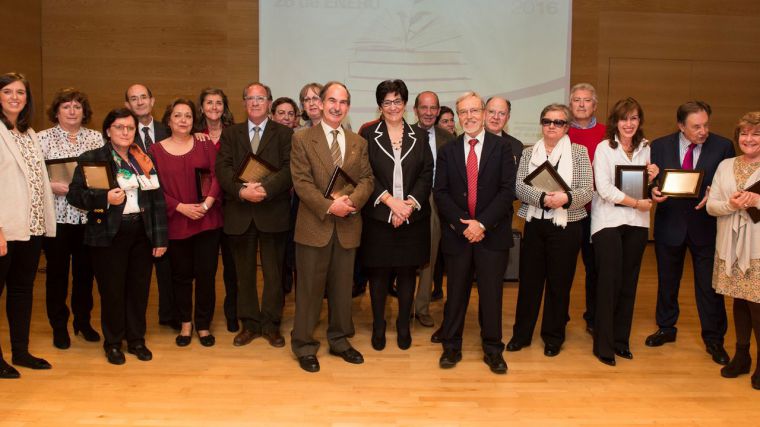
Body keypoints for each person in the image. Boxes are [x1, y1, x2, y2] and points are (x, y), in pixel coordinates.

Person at [67, 108, 168, 365]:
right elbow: (75, 196)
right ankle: (113, 343)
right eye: (120, 127)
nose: (125, 132)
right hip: (108, 233)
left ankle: (136, 340)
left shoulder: (143, 158)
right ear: (108, 131)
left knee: (139, 290)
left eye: (130, 128)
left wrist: (160, 239)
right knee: (112, 291)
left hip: (141, 232)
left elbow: (156, 201)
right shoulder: (94, 158)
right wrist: (105, 198)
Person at [290, 81, 374, 373]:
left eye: (343, 102)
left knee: (342, 290)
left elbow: (367, 180)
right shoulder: (302, 139)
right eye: (332, 101)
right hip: (315, 226)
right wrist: (329, 206)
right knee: (309, 292)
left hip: (348, 225)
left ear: (348, 107)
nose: (337, 107)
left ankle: (339, 340)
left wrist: (351, 203)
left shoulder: (358, 142)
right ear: (321, 104)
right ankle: (303, 344)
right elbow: (301, 182)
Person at [647, 101, 735, 365]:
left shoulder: (723, 146)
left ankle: (714, 338)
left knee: (709, 286)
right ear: (681, 126)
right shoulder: (660, 146)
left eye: (706, 124)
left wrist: (714, 193)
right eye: (696, 126)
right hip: (670, 223)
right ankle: (666, 327)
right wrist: (652, 189)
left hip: (705, 225)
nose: (703, 131)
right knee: (667, 280)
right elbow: (651, 179)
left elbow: (729, 181)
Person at [434, 91, 515, 374]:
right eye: (462, 112)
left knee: (491, 295)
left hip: (491, 234)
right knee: (455, 293)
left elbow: (508, 191)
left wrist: (481, 224)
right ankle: (451, 347)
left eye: (473, 111)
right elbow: (441, 194)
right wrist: (463, 225)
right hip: (458, 235)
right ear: (458, 116)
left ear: (483, 113)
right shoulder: (447, 151)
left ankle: (493, 350)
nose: (468, 117)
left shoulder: (502, 148)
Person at [508, 103, 593, 357]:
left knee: (559, 283)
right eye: (547, 121)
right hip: (535, 223)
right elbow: (520, 187)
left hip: (567, 225)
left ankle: (553, 336)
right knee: (530, 283)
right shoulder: (528, 153)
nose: (552, 126)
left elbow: (587, 189)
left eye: (558, 122)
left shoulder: (579, 152)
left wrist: (564, 198)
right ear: (541, 124)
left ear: (567, 126)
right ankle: (521, 335)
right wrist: (545, 199)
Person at [216, 82, 293, 348]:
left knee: (274, 274)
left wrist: (265, 190)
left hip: (272, 211)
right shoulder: (231, 134)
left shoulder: (284, 133)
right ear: (244, 102)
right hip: (240, 212)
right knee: (243, 274)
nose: (256, 102)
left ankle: (271, 325)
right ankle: (249, 324)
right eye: (250, 98)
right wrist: (240, 192)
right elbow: (223, 169)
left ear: (269, 102)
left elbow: (289, 169)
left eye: (261, 98)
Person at [359, 80, 433, 350]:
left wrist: (408, 205)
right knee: (378, 274)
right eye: (387, 102)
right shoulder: (368, 135)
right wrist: (391, 203)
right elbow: (364, 173)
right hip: (379, 216)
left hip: (412, 217)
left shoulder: (420, 136)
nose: (393, 107)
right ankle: (378, 325)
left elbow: (426, 174)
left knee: (406, 273)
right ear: (380, 105)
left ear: (405, 104)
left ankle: (403, 324)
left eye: (398, 101)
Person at [590, 97, 658, 366]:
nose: (628, 124)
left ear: (639, 121)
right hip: (608, 222)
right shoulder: (604, 148)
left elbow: (641, 186)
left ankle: (621, 341)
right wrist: (637, 202)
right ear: (615, 122)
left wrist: (653, 182)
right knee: (609, 282)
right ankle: (603, 346)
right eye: (623, 118)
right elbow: (605, 189)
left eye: (633, 118)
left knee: (629, 283)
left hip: (638, 223)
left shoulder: (645, 147)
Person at [150, 99, 223, 347]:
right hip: (177, 221)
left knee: (206, 275)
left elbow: (217, 176)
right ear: (168, 120)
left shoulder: (204, 144)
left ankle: (203, 325)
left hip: (206, 219)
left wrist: (207, 204)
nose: (183, 120)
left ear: (194, 120)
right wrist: (180, 207)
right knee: (180, 277)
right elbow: (153, 188)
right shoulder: (155, 151)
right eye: (178, 115)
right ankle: (185, 324)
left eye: (188, 116)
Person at [0, 72, 56, 378]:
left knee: (21, 290)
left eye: (20, 92)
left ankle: (20, 351)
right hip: (4, 229)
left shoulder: (29, 133)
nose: (14, 97)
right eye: (7, 91)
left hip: (31, 226)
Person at [38, 87, 104, 349]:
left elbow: (101, 174)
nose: (72, 111)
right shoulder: (42, 138)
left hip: (86, 218)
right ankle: (59, 326)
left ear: (84, 111)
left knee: (85, 275)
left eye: (77, 106)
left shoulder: (96, 138)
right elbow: (35, 175)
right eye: (66, 106)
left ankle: (83, 321)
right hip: (57, 217)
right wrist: (50, 185)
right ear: (57, 111)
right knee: (56, 274)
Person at [706, 111, 760, 390]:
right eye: (744, 133)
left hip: (757, 247)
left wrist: (757, 200)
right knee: (739, 299)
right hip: (730, 242)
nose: (748, 139)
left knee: (757, 304)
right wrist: (732, 204)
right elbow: (712, 205)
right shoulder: (726, 165)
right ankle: (742, 355)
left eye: (755, 134)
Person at [124, 83, 176, 330]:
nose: (140, 102)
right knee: (135, 274)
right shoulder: (122, 133)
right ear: (128, 105)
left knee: (168, 267)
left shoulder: (170, 130)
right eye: (134, 99)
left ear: (152, 101)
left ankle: (169, 314)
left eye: (143, 97)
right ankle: (134, 324)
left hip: (166, 208)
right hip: (134, 212)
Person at [195, 87, 239, 333]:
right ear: (201, 108)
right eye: (209, 102)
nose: (213, 107)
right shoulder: (193, 136)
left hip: (231, 211)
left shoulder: (235, 135)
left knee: (233, 270)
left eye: (218, 103)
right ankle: (204, 320)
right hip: (206, 213)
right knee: (206, 269)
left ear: (225, 107)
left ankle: (233, 314)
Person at [567, 83, 607, 335]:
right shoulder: (559, 130)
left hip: (599, 211)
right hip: (569, 211)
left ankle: (593, 315)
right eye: (576, 100)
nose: (581, 105)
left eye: (586, 100)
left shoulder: (607, 133)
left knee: (596, 268)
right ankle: (560, 315)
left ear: (595, 105)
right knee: (565, 267)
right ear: (570, 105)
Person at [412, 90, 453, 329]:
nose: (428, 113)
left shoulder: (448, 138)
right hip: (410, 201)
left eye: (433, 108)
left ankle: (422, 307)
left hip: (439, 201)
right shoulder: (405, 133)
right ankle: (405, 306)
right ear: (416, 110)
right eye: (424, 108)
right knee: (407, 257)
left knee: (430, 256)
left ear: (438, 111)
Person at [485, 96, 524, 168]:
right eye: (491, 112)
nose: (496, 117)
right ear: (484, 114)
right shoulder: (472, 142)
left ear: (508, 118)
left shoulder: (516, 146)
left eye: (502, 113)